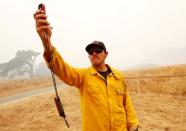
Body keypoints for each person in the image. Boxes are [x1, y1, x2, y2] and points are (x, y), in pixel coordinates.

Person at [34, 6, 139, 131]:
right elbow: (61, 69)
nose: (94, 53)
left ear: (106, 53)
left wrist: (133, 126)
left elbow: (127, 104)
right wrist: (46, 41)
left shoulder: (118, 76)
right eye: (90, 51)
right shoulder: (83, 77)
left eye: (98, 50)